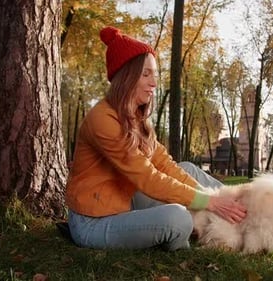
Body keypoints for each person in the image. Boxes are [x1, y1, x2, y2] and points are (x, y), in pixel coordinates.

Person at [65, 26, 247, 251]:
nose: (154, 83)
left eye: (155, 74)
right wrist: (208, 202)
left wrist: (212, 197)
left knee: (187, 168)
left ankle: (242, 205)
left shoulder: (136, 118)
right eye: (146, 74)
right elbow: (148, 178)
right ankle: (187, 232)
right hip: (93, 222)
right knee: (177, 218)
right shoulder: (103, 119)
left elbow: (164, 164)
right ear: (126, 76)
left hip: (126, 201)